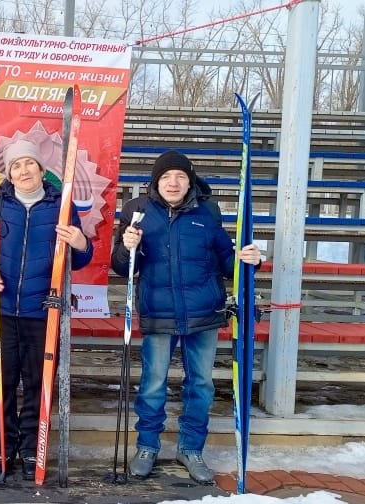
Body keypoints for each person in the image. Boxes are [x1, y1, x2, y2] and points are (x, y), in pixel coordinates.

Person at [110, 150, 262, 485]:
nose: (173, 183)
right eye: (166, 177)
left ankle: (190, 448)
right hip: (158, 313)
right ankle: (147, 446)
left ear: (189, 180)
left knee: (201, 386)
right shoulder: (138, 212)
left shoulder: (206, 212)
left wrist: (248, 259)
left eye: (179, 176)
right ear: (156, 182)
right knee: (152, 385)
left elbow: (227, 262)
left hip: (203, 313)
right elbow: (121, 266)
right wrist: (126, 245)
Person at [0, 140, 93, 481]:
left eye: (29, 164)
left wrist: (80, 243)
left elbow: (79, 259)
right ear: (9, 173)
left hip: (43, 311)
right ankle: (3, 447)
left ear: (41, 169)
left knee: (38, 385)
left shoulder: (61, 206)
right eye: (16, 166)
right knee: (1, 383)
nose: (23, 171)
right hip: (1, 309)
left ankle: (29, 449)